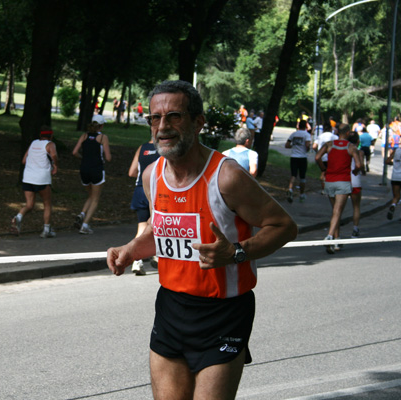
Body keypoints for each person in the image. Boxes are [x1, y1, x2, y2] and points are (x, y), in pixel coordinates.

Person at [107, 80, 297, 400]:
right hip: (171, 308)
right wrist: (130, 249)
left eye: (174, 116)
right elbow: (161, 227)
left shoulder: (226, 176)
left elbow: (284, 226)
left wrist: (236, 252)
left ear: (198, 123)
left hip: (223, 313)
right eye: (155, 118)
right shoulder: (151, 175)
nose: (163, 127)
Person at [315, 123, 363, 254]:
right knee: (337, 211)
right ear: (347, 133)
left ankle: (337, 240)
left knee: (335, 211)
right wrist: (355, 171)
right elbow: (358, 164)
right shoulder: (351, 147)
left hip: (329, 181)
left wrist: (324, 169)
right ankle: (330, 237)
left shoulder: (329, 145)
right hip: (343, 181)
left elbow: (317, 157)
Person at [10, 126, 59, 238]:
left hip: (28, 178)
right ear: (51, 135)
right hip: (42, 179)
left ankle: (18, 217)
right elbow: (54, 155)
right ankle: (46, 230)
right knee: (47, 204)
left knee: (29, 204)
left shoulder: (33, 143)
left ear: (40, 135)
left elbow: (24, 160)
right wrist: (55, 164)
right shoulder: (50, 144)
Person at [72, 114, 112, 234]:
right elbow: (108, 157)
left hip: (84, 169)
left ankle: (82, 214)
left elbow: (74, 152)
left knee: (90, 195)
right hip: (97, 170)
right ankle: (85, 225)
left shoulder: (84, 136)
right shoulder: (103, 138)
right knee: (95, 199)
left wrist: (83, 158)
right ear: (101, 126)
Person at [127, 138, 160, 275]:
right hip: (156, 190)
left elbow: (132, 172)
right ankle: (157, 256)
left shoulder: (142, 147)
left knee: (142, 225)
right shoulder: (165, 148)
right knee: (157, 224)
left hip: (140, 190)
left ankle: (137, 260)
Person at [285, 120, 312, 203]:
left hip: (293, 156)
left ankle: (290, 189)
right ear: (306, 126)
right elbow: (307, 145)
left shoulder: (293, 134)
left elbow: (287, 145)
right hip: (302, 157)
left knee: (293, 174)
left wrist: (294, 145)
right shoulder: (307, 135)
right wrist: (307, 149)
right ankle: (302, 194)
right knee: (302, 177)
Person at [312, 124, 338, 195]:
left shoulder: (320, 136)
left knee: (323, 173)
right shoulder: (335, 137)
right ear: (330, 129)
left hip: (322, 158)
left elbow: (314, 146)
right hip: (332, 158)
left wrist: (318, 152)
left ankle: (323, 189)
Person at [348, 133, 362, 238]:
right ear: (358, 142)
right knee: (356, 206)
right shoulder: (359, 152)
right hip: (355, 181)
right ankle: (355, 228)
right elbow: (360, 166)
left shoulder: (344, 150)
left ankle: (335, 232)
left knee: (338, 208)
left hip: (343, 180)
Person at [385, 146, 401, 220]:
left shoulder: (396, 151)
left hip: (395, 177)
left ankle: (393, 205)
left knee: (396, 196)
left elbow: (387, 161)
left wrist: (394, 164)